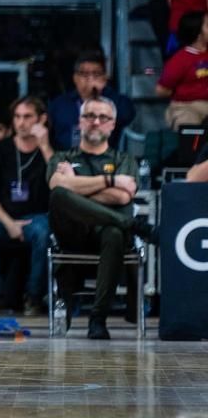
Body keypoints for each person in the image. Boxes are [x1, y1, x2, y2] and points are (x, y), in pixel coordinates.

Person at [48, 97, 157, 340]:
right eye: (89, 116)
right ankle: (134, 225)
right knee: (58, 196)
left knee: (114, 233)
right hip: (72, 234)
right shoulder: (62, 157)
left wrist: (75, 185)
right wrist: (111, 181)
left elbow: (123, 196)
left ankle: (98, 320)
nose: (96, 122)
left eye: (103, 117)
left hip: (109, 237)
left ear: (113, 124)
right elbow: (57, 187)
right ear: (80, 122)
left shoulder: (124, 159)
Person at [0, 96, 53, 316]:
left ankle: (34, 297)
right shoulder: (0, 149)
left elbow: (60, 185)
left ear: (41, 119)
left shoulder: (51, 148)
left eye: (28, 117)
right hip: (3, 216)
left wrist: (45, 146)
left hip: (37, 216)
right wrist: (9, 223)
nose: (21, 122)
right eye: (17, 117)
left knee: (44, 231)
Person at [47, 49, 136, 151]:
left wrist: (103, 91)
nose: (90, 78)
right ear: (75, 78)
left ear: (104, 78)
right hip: (67, 161)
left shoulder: (111, 101)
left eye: (96, 74)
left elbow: (128, 115)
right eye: (84, 74)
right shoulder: (59, 104)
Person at [157, 10, 208, 127]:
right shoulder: (180, 60)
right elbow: (161, 90)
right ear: (198, 34)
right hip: (186, 106)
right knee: (187, 122)